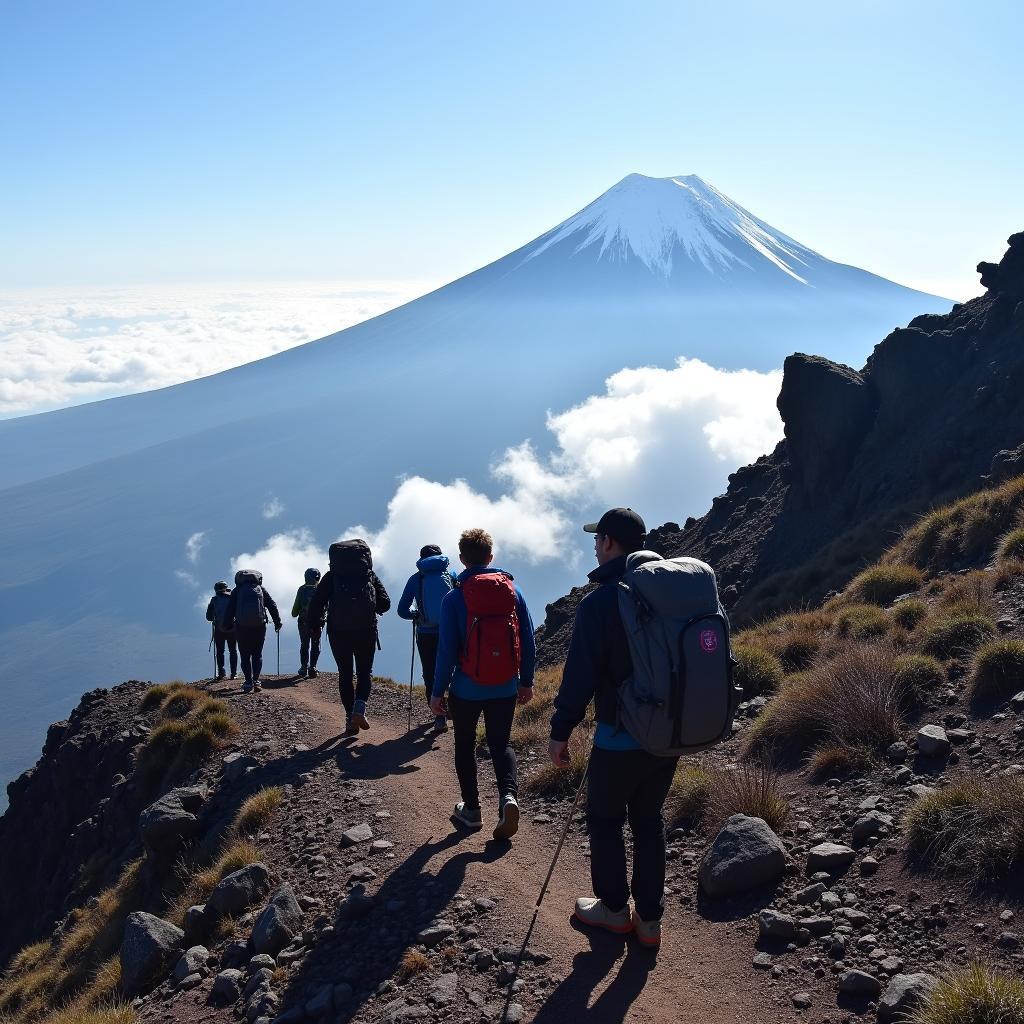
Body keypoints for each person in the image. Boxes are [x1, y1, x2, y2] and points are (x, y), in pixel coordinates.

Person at [548, 507, 670, 950]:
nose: (595, 547)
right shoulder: (670, 591)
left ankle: (615, 911)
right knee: (649, 821)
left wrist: (560, 731)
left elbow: (580, 675)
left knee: (604, 820)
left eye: (598, 540)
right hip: (668, 737)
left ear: (610, 543)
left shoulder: (600, 602)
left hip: (619, 737)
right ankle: (650, 920)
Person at [431, 528, 535, 841]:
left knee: (464, 744)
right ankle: (508, 799)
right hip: (505, 686)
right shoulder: (513, 592)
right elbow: (528, 641)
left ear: (462, 559)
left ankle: (472, 811)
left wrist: (437, 691)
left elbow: (446, 650)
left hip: (466, 688)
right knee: (500, 744)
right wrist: (526, 681)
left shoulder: (454, 597)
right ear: (491, 557)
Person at [306, 539, 391, 735]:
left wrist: (314, 626)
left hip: (338, 631)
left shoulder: (331, 577)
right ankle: (359, 708)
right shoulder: (369, 575)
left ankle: (349, 719)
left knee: (345, 673)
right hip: (366, 630)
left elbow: (316, 604)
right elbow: (385, 603)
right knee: (364, 672)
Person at [397, 544, 457, 731]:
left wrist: (416, 614)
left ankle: (439, 718)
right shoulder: (451, 576)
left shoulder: (416, 579)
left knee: (430, 672)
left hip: (426, 634)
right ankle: (456, 710)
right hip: (450, 632)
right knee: (454, 669)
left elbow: (402, 610)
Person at [220, 569, 282, 694]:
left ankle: (248, 682)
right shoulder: (261, 589)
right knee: (257, 654)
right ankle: (256, 681)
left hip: (241, 626)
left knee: (244, 655)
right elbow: (272, 605)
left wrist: (226, 625)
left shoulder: (237, 591)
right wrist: (277, 622)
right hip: (259, 626)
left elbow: (230, 610)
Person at [291, 567, 324, 679]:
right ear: (317, 577)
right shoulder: (321, 588)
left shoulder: (302, 589)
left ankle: (304, 667)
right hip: (317, 623)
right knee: (315, 644)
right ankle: (313, 667)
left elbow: (294, 612)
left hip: (303, 623)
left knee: (304, 644)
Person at [206, 580, 237, 680]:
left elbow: (209, 617)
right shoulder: (232, 597)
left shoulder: (214, 600)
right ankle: (233, 673)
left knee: (220, 651)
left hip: (219, 629)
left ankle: (221, 672)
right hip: (232, 628)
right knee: (233, 651)